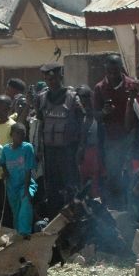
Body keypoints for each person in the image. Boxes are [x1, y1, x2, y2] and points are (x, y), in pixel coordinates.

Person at [37, 64, 84, 218]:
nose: (51, 81)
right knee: (52, 190)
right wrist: (39, 148)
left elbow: (81, 125)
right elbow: (41, 124)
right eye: (47, 79)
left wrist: (80, 149)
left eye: (53, 78)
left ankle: (73, 222)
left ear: (60, 77)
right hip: (50, 152)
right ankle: (53, 222)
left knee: (71, 189)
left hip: (68, 151)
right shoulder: (42, 98)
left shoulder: (72, 97)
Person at [94, 54, 136, 208]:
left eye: (115, 71)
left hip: (131, 135)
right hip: (112, 139)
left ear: (121, 69)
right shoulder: (100, 88)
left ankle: (130, 206)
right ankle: (115, 207)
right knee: (113, 174)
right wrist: (105, 112)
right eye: (109, 72)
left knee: (132, 172)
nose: (112, 75)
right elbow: (96, 115)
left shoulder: (131, 85)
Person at [0, 122, 36, 237]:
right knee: (16, 211)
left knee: (25, 205)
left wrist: (26, 189)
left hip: (25, 184)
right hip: (11, 186)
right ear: (12, 134)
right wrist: (5, 173)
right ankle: (17, 235)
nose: (20, 136)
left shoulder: (27, 148)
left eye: (23, 134)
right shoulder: (5, 149)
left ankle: (25, 233)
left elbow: (28, 169)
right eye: (18, 134)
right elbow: (2, 163)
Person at [0, 95, 16, 225]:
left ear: (9, 108)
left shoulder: (12, 126)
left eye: (2, 106)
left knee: (7, 207)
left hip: (6, 174)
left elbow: (14, 150)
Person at [76, 87, 103, 199]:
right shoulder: (82, 117)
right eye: (82, 100)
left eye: (86, 99)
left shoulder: (98, 117)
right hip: (84, 154)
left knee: (95, 184)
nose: (84, 103)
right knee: (83, 183)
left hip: (96, 153)